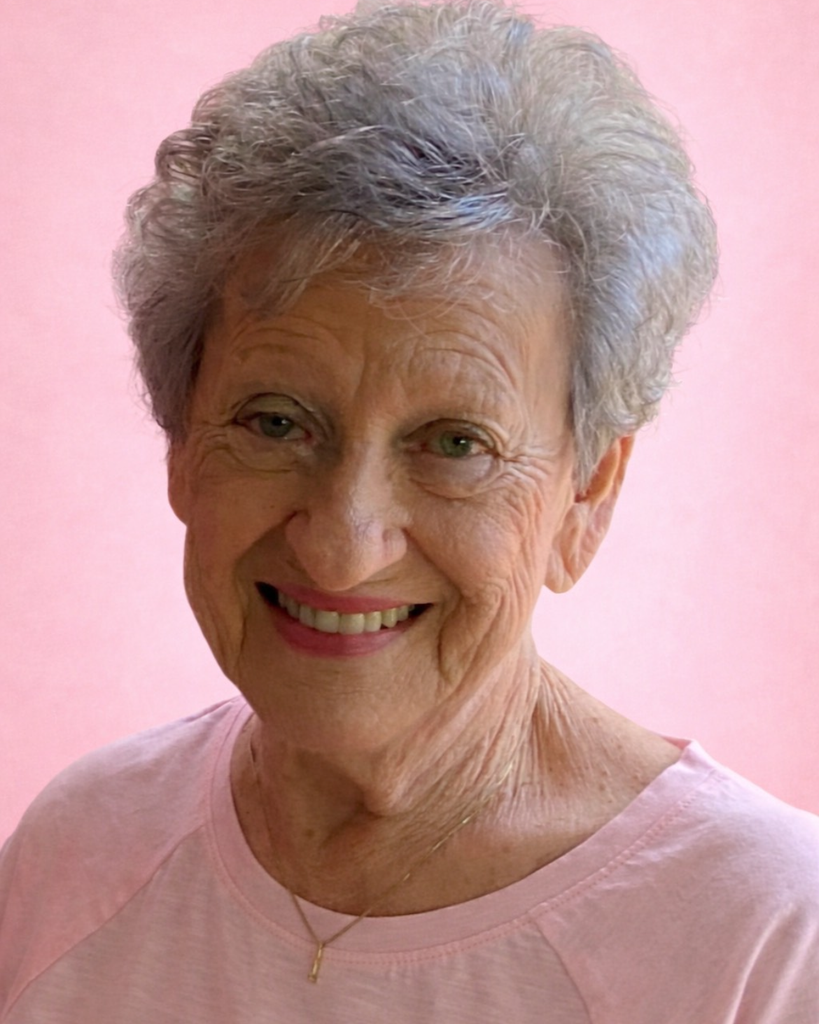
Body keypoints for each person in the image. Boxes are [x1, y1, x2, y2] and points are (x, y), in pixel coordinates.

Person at [1, 0, 816, 1020]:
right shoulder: (77, 861)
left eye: (455, 444)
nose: (342, 547)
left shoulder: (766, 941)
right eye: (276, 422)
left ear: (585, 496)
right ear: (179, 445)